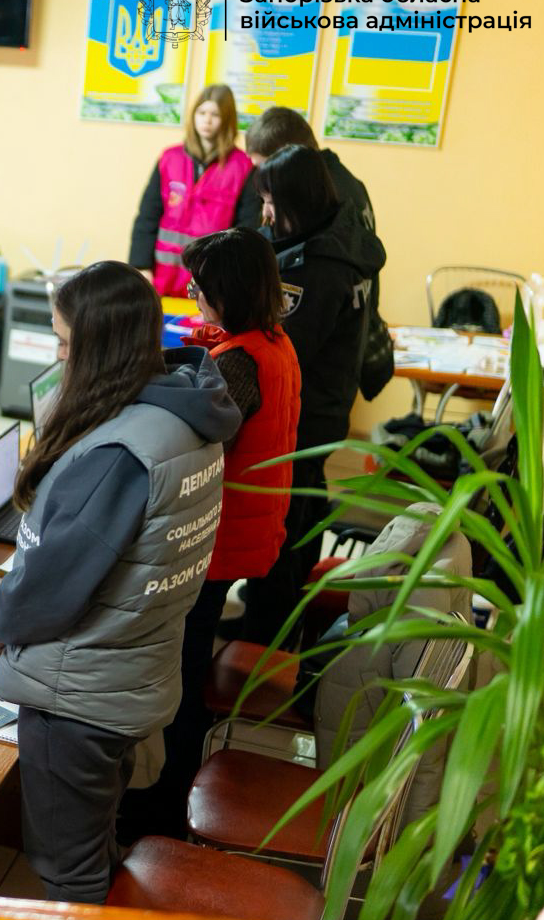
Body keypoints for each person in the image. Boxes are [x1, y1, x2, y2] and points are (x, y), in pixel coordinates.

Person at [0, 261, 239, 920]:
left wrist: (1, 616)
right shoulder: (186, 416)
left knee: (70, 875)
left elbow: (57, 583)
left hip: (80, 693)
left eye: (64, 342)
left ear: (99, 347)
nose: (58, 357)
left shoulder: (119, 451)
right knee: (91, 843)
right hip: (135, 667)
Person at [117, 228, 301, 840]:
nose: (193, 296)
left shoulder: (239, 364)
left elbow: (201, 434)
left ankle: (167, 803)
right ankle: (172, 790)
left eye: (199, 288)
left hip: (216, 539)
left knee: (184, 668)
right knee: (189, 656)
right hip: (252, 525)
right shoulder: (273, 342)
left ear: (229, 292)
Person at [235, 144, 386, 646]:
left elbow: (284, 348)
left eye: (270, 201)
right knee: (304, 512)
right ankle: (279, 622)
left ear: (294, 201)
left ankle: (265, 642)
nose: (265, 213)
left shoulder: (315, 269)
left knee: (283, 529)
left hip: (303, 415)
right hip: (327, 407)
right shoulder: (342, 239)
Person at [128, 83, 253, 296]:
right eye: (201, 112)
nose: (207, 120)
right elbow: (148, 216)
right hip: (162, 279)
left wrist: (233, 279)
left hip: (210, 283)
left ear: (228, 120)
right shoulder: (169, 159)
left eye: (215, 114)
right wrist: (141, 266)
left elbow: (246, 229)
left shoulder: (243, 167)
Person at [236, 105, 375, 232]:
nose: (262, 178)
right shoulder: (339, 177)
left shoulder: (321, 197)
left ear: (287, 156)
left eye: (265, 168)